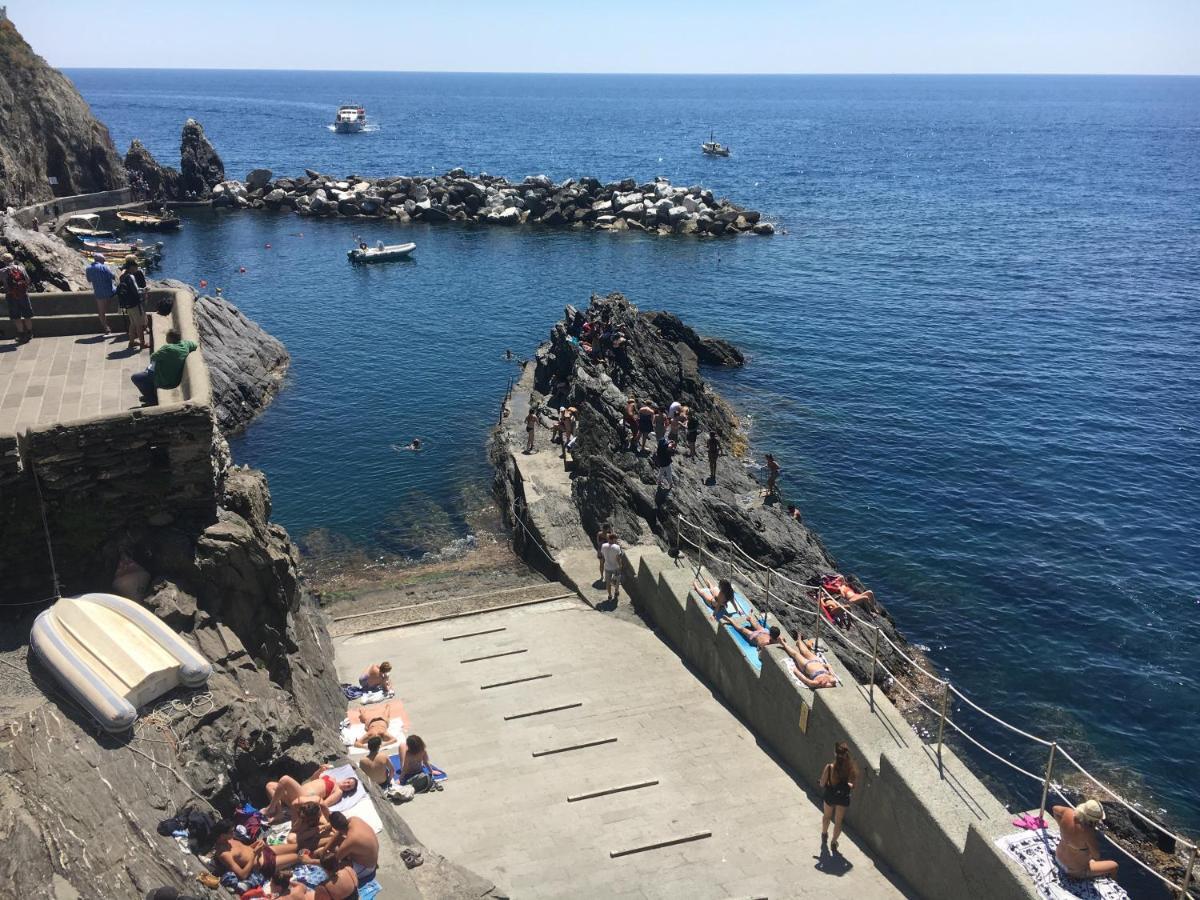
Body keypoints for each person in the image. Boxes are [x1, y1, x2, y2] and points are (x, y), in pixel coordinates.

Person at [213, 818, 302, 882]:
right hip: (264, 863)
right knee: (299, 856)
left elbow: (245, 851)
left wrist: (255, 845)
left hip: (262, 851)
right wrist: (255, 854)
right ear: (222, 835)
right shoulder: (224, 854)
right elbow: (242, 875)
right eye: (230, 832)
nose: (233, 833)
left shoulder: (229, 840)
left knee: (297, 846)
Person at [262, 766, 359, 822]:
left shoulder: (338, 792)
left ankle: (270, 808)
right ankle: (279, 812)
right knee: (270, 785)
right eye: (348, 781)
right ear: (346, 778)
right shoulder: (330, 777)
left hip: (305, 799)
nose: (347, 784)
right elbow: (313, 779)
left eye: (349, 786)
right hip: (297, 793)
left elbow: (324, 804)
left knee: (285, 779)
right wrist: (319, 770)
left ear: (348, 790)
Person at [1052, 800, 1118, 880]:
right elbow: (1096, 855)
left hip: (1058, 857)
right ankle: (1112, 883)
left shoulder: (1068, 812)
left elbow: (1054, 809)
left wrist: (1062, 826)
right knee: (1114, 865)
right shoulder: (1088, 832)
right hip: (1073, 871)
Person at [131, 327, 198, 405]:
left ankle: (151, 400)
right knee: (147, 370)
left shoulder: (168, 348)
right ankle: (148, 395)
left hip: (164, 380)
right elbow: (195, 345)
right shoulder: (185, 344)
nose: (166, 338)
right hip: (174, 378)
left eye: (167, 336)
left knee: (136, 378)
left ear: (171, 338)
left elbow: (153, 356)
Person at [323, 811, 380, 887]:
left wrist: (309, 861)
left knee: (332, 869)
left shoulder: (350, 840)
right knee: (338, 842)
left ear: (335, 827)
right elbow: (338, 833)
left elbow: (333, 861)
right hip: (369, 855)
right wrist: (325, 848)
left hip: (366, 868)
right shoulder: (354, 819)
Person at [820, 741, 858, 853]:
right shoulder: (851, 769)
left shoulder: (830, 767)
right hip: (842, 798)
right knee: (838, 821)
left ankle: (824, 834)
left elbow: (822, 783)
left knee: (827, 816)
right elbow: (853, 785)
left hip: (830, 796)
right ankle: (834, 842)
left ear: (835, 754)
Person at [1, 252, 34, 344]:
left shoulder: (2, 271)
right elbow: (28, 280)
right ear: (12, 259)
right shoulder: (21, 268)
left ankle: (21, 334)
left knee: (16, 316)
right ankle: (30, 333)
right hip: (23, 295)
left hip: (11, 296)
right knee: (27, 314)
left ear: (3, 261)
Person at [116, 255, 147, 350]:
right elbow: (137, 291)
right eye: (136, 266)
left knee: (132, 323)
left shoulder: (123, 275)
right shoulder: (131, 277)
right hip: (134, 304)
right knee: (139, 325)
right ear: (132, 267)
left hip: (127, 304)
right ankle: (143, 343)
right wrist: (145, 290)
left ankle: (132, 342)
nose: (137, 268)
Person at [85, 252, 117, 334]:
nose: (104, 261)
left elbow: (89, 280)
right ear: (100, 260)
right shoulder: (104, 267)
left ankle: (106, 328)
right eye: (103, 260)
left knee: (101, 312)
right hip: (110, 292)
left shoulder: (88, 269)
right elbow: (113, 277)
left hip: (99, 293)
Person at [601, 532, 624, 602]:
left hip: (607, 566)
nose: (616, 541)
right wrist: (620, 565)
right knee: (617, 580)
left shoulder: (603, 546)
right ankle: (616, 591)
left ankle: (609, 595)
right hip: (615, 567)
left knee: (608, 583)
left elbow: (603, 556)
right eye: (615, 539)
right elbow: (618, 558)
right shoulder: (616, 547)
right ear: (613, 539)